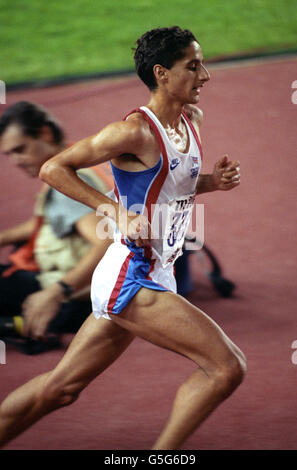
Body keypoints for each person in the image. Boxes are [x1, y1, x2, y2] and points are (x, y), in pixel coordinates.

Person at [0, 26, 246, 449]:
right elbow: (53, 168)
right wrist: (113, 210)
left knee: (60, 389)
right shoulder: (132, 132)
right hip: (131, 276)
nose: (205, 75)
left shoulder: (192, 120)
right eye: (193, 65)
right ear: (161, 73)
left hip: (158, 272)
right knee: (226, 368)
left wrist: (211, 183)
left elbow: (173, 185)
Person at [0, 101, 112, 353]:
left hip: (71, 297)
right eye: (10, 155)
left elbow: (107, 242)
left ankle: (19, 324)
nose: (16, 161)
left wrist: (55, 293)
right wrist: (4, 237)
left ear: (45, 133)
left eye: (20, 149)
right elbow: (55, 220)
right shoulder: (79, 159)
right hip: (87, 291)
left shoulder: (68, 183)